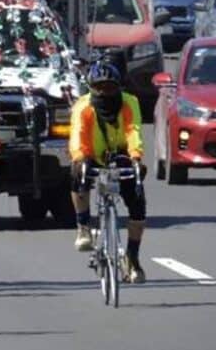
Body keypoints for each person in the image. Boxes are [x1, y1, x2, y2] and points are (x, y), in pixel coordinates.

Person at [69, 60, 147, 284]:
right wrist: (80, 158)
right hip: (91, 154)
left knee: (138, 201)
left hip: (121, 153)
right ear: (91, 88)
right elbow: (78, 136)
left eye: (110, 88)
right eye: (99, 88)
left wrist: (135, 157)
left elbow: (134, 131)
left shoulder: (129, 103)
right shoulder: (83, 107)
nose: (105, 93)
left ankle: (132, 257)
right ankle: (83, 226)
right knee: (77, 174)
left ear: (119, 88)